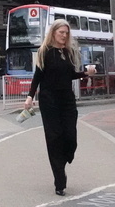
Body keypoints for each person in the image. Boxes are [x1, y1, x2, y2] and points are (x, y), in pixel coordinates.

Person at [23, 19, 96, 196]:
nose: (64, 35)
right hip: (49, 101)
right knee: (54, 138)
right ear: (53, 33)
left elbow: (71, 75)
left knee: (70, 136)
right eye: (61, 32)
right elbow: (37, 77)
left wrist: (86, 73)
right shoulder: (45, 52)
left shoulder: (68, 52)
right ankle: (59, 180)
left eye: (66, 33)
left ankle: (64, 159)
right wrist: (30, 96)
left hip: (67, 100)